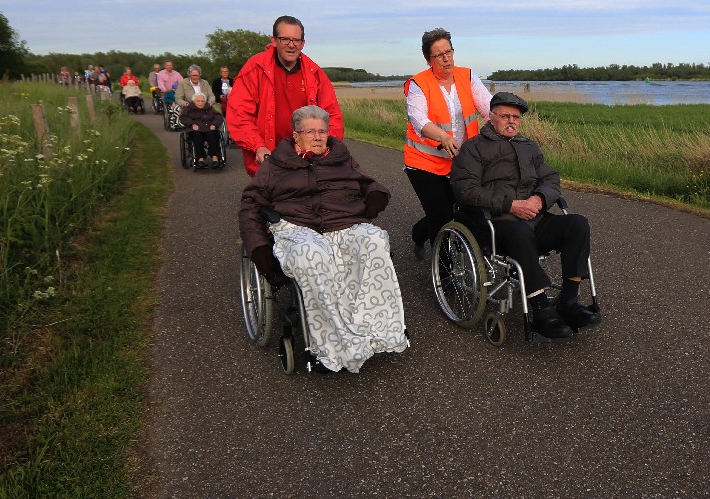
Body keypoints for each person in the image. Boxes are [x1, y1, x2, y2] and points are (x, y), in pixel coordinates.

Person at [239, 105, 408, 372]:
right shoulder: (275, 165)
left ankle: (377, 331)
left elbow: (366, 182)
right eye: (310, 132)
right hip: (298, 228)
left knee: (374, 240)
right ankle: (332, 345)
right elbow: (250, 204)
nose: (318, 137)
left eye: (322, 131)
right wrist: (258, 245)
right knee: (312, 254)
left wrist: (375, 195)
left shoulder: (341, 157)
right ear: (296, 135)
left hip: (342, 222)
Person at [449, 92, 600, 340]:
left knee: (577, 224)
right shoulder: (473, 148)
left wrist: (539, 198)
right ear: (491, 117)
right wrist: (510, 205)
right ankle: (541, 308)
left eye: (516, 117)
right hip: (496, 223)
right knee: (519, 231)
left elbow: (550, 178)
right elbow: (465, 189)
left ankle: (569, 301)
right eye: (505, 116)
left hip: (534, 218)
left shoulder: (529, 146)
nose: (511, 121)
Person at [403, 28, 492, 260]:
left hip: (459, 162)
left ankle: (418, 232)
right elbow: (418, 119)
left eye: (449, 52)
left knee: (456, 209)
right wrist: (442, 136)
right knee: (441, 218)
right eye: (439, 55)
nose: (446, 59)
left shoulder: (467, 76)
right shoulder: (418, 84)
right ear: (428, 59)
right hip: (424, 163)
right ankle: (444, 275)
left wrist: (502, 122)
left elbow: (488, 107)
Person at [226, 15, 344, 176]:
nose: (291, 45)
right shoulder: (255, 69)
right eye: (285, 39)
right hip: (269, 155)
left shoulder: (315, 73)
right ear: (274, 41)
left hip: (306, 156)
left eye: (296, 40)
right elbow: (239, 114)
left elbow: (332, 115)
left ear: (303, 43)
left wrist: (326, 143)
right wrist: (258, 146)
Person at [180, 92, 224, 168]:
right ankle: (200, 159)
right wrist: (192, 124)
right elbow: (183, 118)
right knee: (197, 136)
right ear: (194, 101)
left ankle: (215, 158)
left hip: (209, 128)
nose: (200, 103)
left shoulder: (209, 108)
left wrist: (214, 124)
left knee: (212, 135)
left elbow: (218, 117)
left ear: (205, 101)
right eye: (198, 101)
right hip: (195, 129)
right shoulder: (188, 109)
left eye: (202, 101)